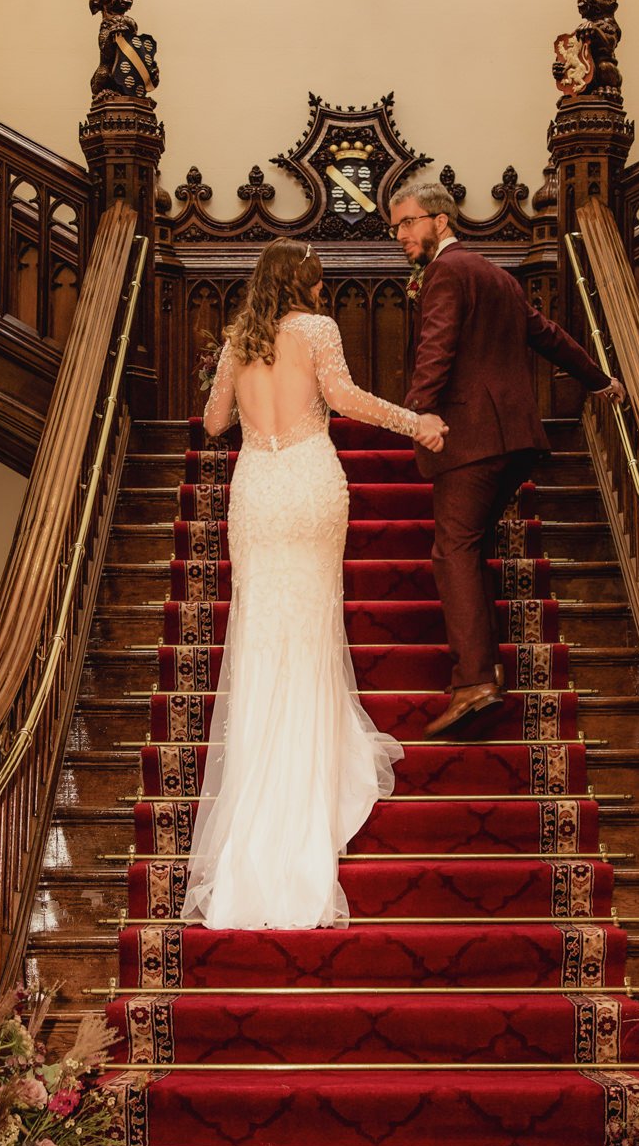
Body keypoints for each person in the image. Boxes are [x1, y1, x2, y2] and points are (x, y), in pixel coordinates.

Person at [185, 243, 448, 930]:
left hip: (258, 489)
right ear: (305, 283)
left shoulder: (239, 339)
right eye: (319, 280)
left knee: (260, 632)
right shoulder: (317, 331)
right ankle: (307, 776)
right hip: (307, 481)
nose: (323, 289)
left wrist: (233, 380)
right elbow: (343, 397)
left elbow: (214, 423)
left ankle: (259, 797)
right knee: (309, 629)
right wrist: (413, 419)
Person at [393, 181, 625, 737]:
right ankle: (484, 667)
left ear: (441, 221)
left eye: (407, 223)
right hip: (514, 439)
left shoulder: (447, 273)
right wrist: (600, 382)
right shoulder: (497, 276)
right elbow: (547, 334)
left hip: (471, 438)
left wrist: (416, 413)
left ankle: (475, 679)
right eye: (396, 226)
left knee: (452, 550)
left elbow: (438, 346)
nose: (400, 235)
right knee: (468, 547)